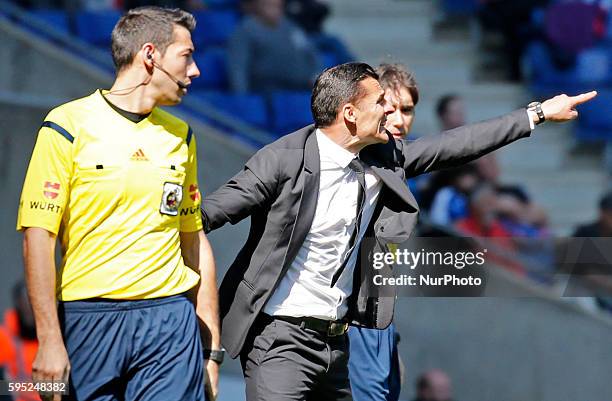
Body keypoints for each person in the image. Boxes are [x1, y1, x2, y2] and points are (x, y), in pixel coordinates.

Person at [200, 61, 596, 400]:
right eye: (380, 104)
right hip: (280, 340)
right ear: (350, 113)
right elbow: (213, 211)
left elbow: (458, 144)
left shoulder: (384, 159)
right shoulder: (282, 159)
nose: (391, 114)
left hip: (336, 344)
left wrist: (537, 114)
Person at [16, 7, 220, 401]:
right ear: (150, 55)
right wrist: (48, 339)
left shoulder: (181, 136)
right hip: (89, 319)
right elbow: (38, 237)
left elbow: (193, 242)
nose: (195, 71)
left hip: (168, 321)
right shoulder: (66, 125)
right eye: (186, 55)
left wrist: (211, 352)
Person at [347, 63, 419, 401]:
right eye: (389, 109)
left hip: (379, 325)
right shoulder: (350, 167)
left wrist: (387, 335)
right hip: (350, 324)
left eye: (407, 110)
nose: (400, 120)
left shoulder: (396, 168)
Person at [228, 0, 323, 93]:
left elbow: (311, 53)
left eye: (277, 5)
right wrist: (243, 98)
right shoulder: (246, 30)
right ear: (255, 5)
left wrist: (316, 77)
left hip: (302, 91)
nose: (274, 6)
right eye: (268, 4)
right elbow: (238, 68)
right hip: (269, 94)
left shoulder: (291, 27)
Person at [0, 282, 40, 401]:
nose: (29, 311)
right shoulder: (5, 336)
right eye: (25, 305)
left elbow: (64, 387)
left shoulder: (57, 336)